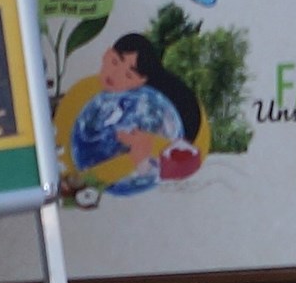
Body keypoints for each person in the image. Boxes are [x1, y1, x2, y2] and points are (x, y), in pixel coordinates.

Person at [65, 33, 206, 197]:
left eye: (128, 75)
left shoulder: (144, 107)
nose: (115, 74)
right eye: (115, 62)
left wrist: (143, 158)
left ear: (141, 83)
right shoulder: (88, 93)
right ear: (107, 54)